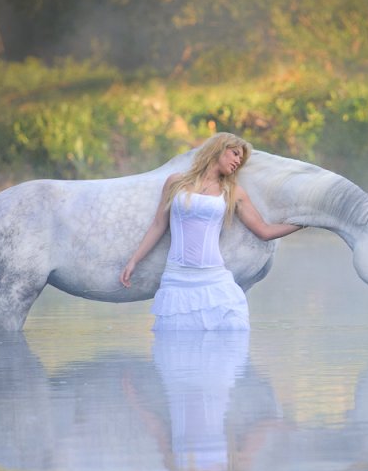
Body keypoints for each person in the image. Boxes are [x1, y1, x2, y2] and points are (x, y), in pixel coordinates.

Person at [120, 132, 303, 331]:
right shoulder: (175, 182)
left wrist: (301, 222)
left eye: (240, 159)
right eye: (234, 154)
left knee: (226, 343)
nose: (237, 161)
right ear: (218, 149)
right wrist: (134, 260)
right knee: (177, 347)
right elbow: (158, 225)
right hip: (177, 279)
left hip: (213, 280)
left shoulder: (233, 192)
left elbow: (264, 230)